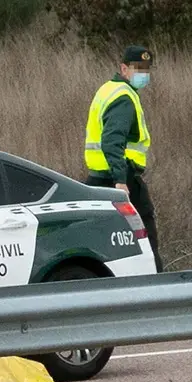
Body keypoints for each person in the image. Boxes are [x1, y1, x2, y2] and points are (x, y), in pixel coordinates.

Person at [83, 45, 162, 272]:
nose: (143, 75)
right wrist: (120, 181)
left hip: (99, 177)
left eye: (147, 70)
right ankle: (158, 286)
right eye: (138, 69)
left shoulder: (108, 89)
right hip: (120, 177)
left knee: (105, 238)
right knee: (146, 235)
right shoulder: (124, 98)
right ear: (124, 68)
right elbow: (112, 141)